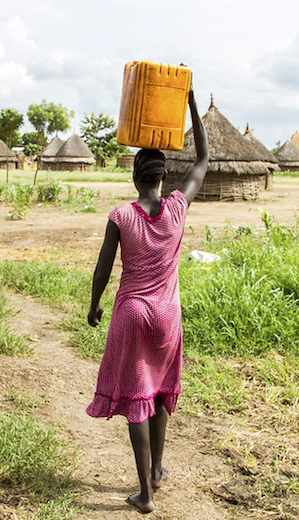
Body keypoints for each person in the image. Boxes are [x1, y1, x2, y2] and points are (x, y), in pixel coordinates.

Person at [86, 89, 209, 514]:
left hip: (133, 313)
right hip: (167, 316)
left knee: (137, 398)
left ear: (135, 177)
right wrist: (190, 102)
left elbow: (103, 269)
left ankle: (145, 494)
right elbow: (202, 159)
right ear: (162, 176)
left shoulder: (121, 216)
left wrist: (94, 304)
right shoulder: (176, 208)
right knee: (158, 392)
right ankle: (157, 469)